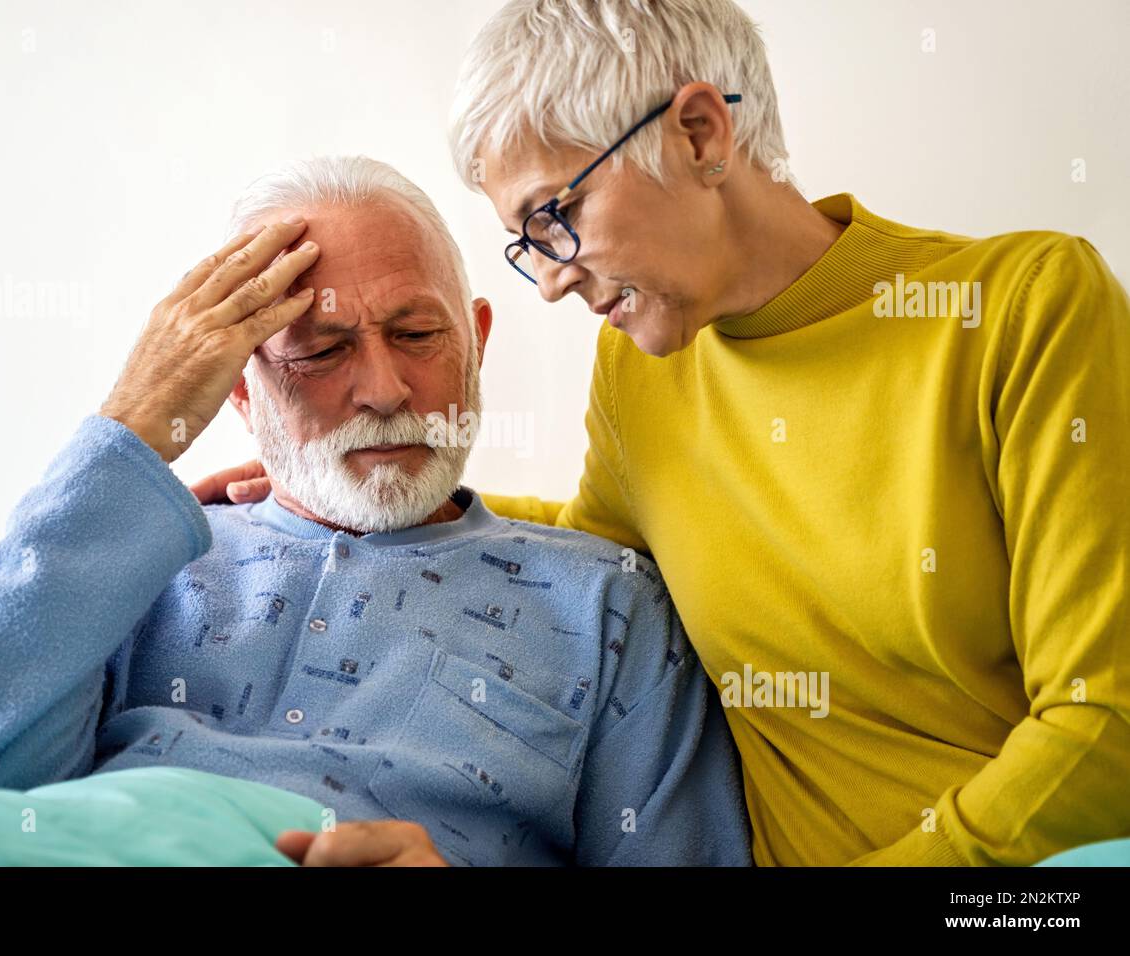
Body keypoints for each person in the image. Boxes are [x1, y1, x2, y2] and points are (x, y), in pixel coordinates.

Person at [197, 0, 1130, 866]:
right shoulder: (645, 363)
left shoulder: (1022, 308)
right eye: (528, 247)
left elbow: (1104, 726)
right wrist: (352, 483)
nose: (552, 280)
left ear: (700, 133)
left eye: (553, 217)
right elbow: (604, 549)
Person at [0, 156, 751, 868]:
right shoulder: (131, 566)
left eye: (417, 334)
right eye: (320, 350)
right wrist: (130, 438)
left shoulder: (604, 605)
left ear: (476, 340)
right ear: (236, 390)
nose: (385, 388)